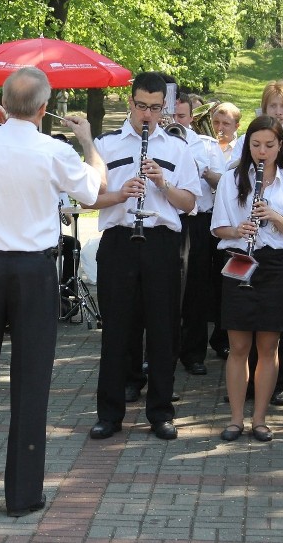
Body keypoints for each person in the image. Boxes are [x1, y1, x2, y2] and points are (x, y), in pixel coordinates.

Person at [0, 66, 106, 517]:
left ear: (2, 105)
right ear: (44, 108)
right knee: (31, 383)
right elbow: (92, 190)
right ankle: (23, 495)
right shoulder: (54, 150)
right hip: (33, 270)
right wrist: (88, 141)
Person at [89, 72, 200, 442]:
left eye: (155, 108)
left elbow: (190, 204)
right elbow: (89, 200)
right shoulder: (105, 145)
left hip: (161, 243)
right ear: (130, 102)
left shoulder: (177, 149)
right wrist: (121, 194)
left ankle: (161, 413)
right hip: (120, 241)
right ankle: (109, 414)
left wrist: (162, 184)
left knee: (164, 329)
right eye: (141, 106)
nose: (147, 115)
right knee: (116, 331)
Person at [212, 115, 283, 443]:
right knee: (238, 345)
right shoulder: (231, 180)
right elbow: (217, 228)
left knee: (268, 346)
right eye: (256, 144)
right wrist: (239, 230)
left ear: (279, 147)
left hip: (273, 267)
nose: (262, 151)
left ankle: (260, 419)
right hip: (240, 261)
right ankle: (236, 419)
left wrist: (275, 216)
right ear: (247, 146)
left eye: (269, 145)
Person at [172, 92, 227, 375]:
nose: (176, 121)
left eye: (181, 117)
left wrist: (202, 172)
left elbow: (224, 182)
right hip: (167, 220)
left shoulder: (206, 146)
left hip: (197, 222)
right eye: (172, 116)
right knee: (164, 290)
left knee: (196, 289)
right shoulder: (159, 142)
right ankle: (157, 353)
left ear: (191, 117)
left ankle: (193, 354)